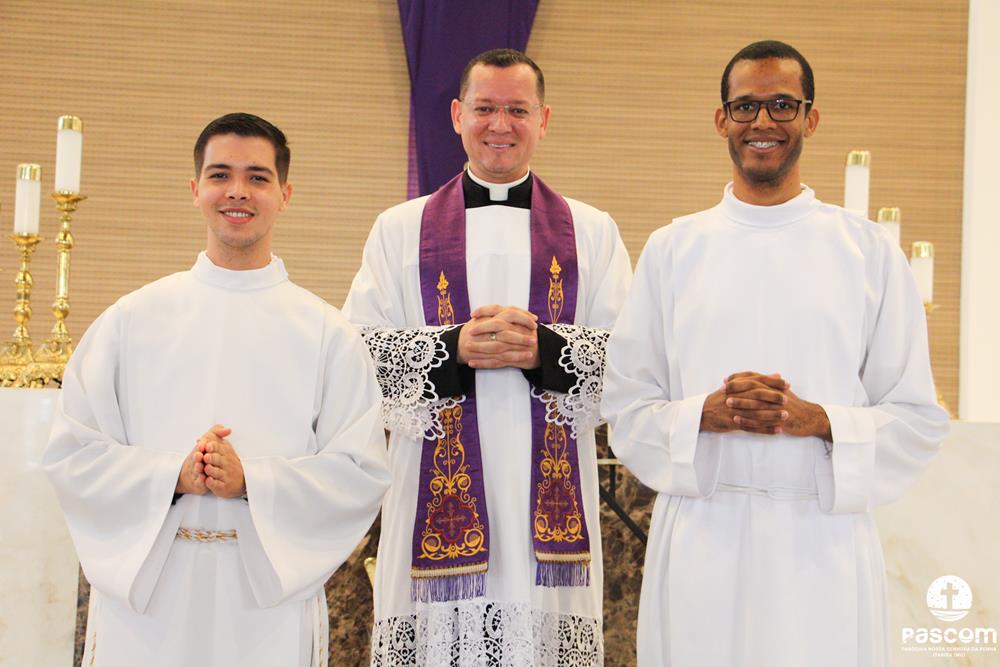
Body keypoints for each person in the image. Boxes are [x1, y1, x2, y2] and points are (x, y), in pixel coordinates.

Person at [602, 40, 950, 667]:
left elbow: (917, 418)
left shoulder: (868, 252)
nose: (762, 121)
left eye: (783, 105)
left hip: (821, 539)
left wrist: (818, 419)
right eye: (746, 106)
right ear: (722, 119)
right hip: (703, 534)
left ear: (810, 118)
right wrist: (706, 413)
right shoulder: (672, 249)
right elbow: (627, 407)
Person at [43, 112, 391, 667]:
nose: (237, 191)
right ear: (195, 189)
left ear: (285, 195)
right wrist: (174, 476)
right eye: (220, 175)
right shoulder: (131, 320)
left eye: (258, 177)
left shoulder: (328, 333)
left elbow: (360, 472)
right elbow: (73, 453)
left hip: (265, 604)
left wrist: (252, 481)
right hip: (148, 601)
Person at [345, 49, 632, 666]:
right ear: (457, 115)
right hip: (430, 496)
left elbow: (633, 360)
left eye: (517, 110)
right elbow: (358, 357)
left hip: (546, 512)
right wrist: (451, 350)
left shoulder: (592, 231)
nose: (500, 125)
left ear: (543, 119)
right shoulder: (399, 229)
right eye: (485, 109)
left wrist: (545, 349)